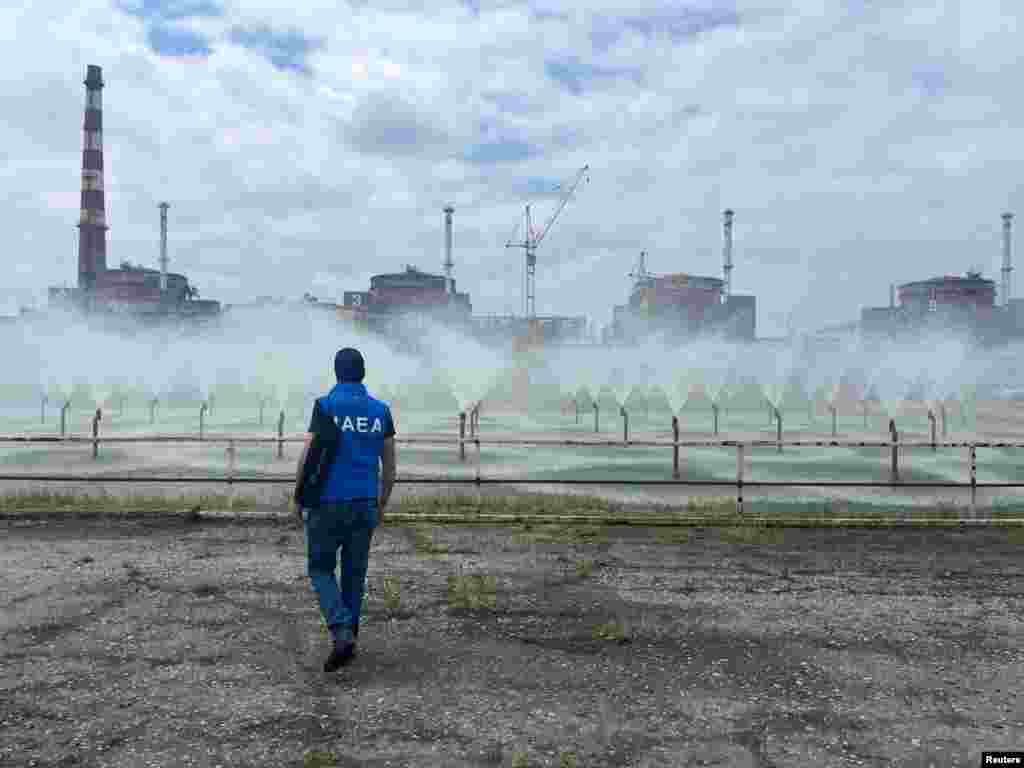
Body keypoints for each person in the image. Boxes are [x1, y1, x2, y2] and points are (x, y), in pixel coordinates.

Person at [293, 347, 396, 673]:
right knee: (354, 574)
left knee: (321, 568)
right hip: (364, 503)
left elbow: (308, 454)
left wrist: (298, 496)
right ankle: (349, 637)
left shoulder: (325, 407)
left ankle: (340, 632)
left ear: (336, 373)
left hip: (327, 503)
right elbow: (390, 467)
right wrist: (381, 505)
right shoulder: (381, 411)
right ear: (363, 373)